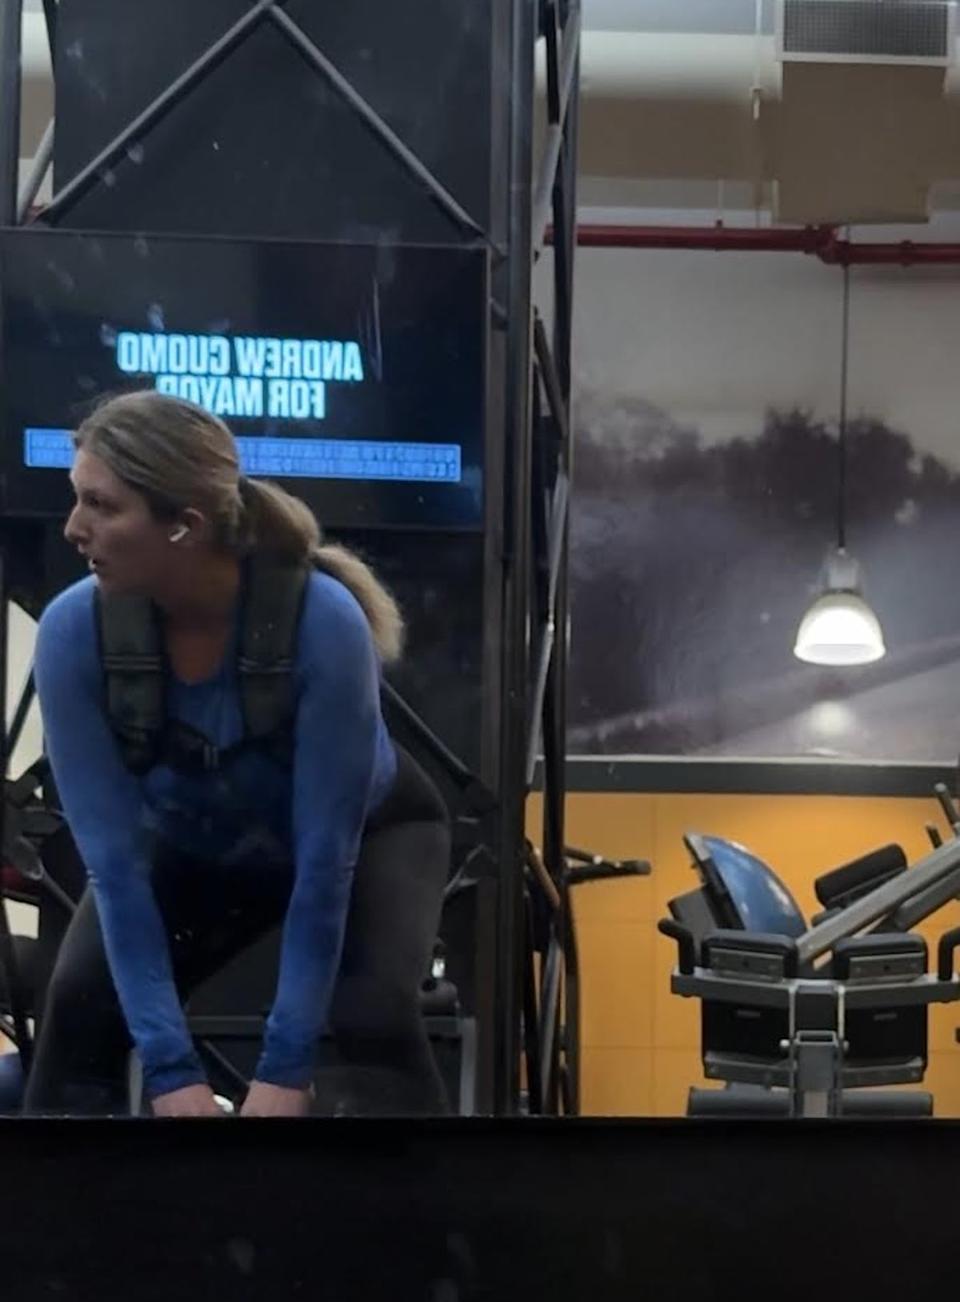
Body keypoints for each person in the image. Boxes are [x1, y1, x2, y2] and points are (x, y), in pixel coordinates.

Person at [25, 390, 451, 1118]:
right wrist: (170, 1073)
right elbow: (118, 870)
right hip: (195, 845)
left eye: (101, 505)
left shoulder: (323, 622)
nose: (73, 528)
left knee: (373, 1017)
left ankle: (427, 1229)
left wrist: (286, 1070)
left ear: (184, 526)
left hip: (369, 835)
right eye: (77, 500)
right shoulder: (72, 635)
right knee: (78, 1008)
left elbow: (326, 863)